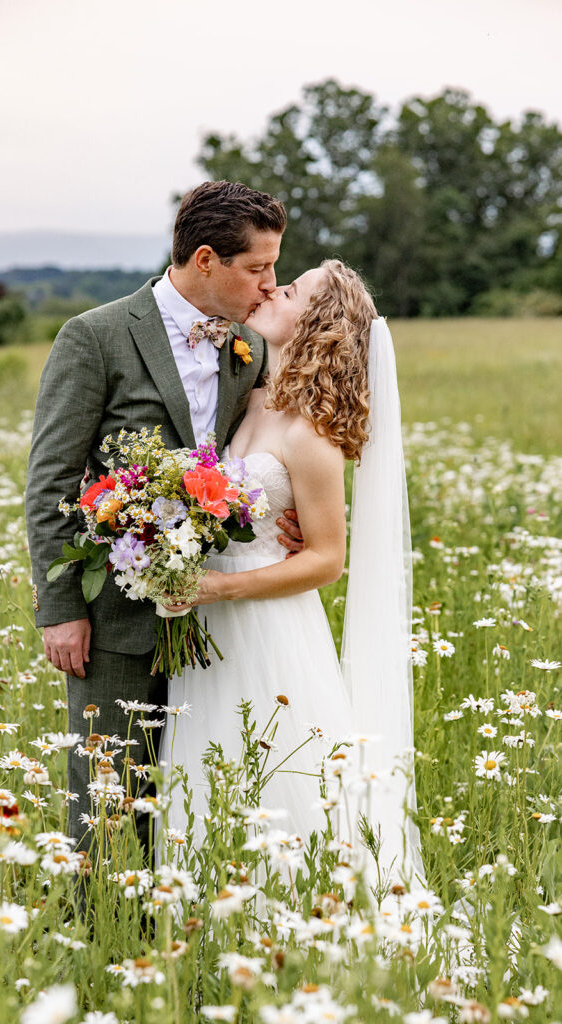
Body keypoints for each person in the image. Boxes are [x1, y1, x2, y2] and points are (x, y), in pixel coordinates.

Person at [24, 181, 304, 860]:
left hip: (224, 615)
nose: (270, 286)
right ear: (204, 259)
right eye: (257, 267)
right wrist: (61, 607)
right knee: (105, 791)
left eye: (273, 267)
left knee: (192, 789)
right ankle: (96, 936)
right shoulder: (94, 336)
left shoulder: (250, 347)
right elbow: (51, 479)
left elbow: (253, 457)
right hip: (116, 610)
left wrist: (279, 515)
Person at [162, 259, 426, 887]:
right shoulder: (248, 396)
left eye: (292, 288)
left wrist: (221, 586)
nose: (272, 288)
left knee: (279, 774)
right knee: (205, 764)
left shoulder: (311, 433)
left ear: (316, 324)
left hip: (268, 622)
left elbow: (327, 560)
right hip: (207, 619)